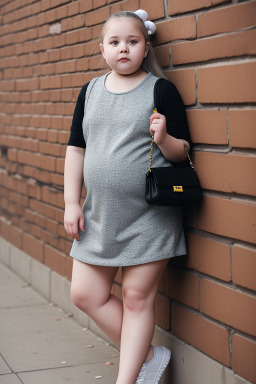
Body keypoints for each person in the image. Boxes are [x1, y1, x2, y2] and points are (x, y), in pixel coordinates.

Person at [64, 9, 191, 384]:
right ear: (103, 49)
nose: (124, 49)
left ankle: (128, 379)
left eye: (132, 42)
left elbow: (183, 152)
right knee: (85, 294)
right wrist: (72, 201)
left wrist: (164, 138)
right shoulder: (89, 91)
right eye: (115, 42)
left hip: (149, 215)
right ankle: (150, 357)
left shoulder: (160, 90)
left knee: (136, 298)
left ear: (145, 46)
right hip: (100, 214)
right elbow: (76, 149)